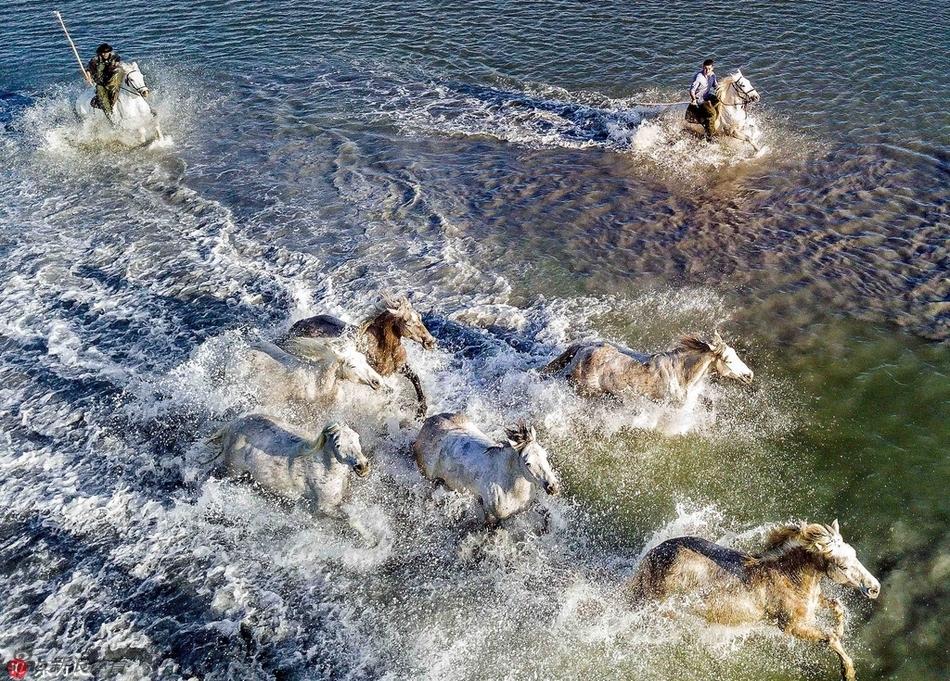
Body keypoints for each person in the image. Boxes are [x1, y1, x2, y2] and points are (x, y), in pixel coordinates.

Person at [86, 43, 124, 122]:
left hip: (112, 80)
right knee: (103, 96)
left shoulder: (115, 57)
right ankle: (110, 115)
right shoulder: (95, 60)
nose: (104, 54)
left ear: (109, 52)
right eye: (102, 53)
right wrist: (89, 78)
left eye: (106, 52)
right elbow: (88, 69)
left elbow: (118, 64)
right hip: (101, 83)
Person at [688, 58, 720, 142]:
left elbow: (716, 86)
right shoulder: (699, 77)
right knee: (712, 114)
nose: (707, 70)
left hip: (707, 96)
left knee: (719, 101)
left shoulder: (712, 75)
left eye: (709, 68)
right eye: (705, 68)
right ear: (703, 67)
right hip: (700, 99)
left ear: (712, 68)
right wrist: (694, 99)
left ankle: (717, 122)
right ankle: (709, 136)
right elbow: (692, 91)